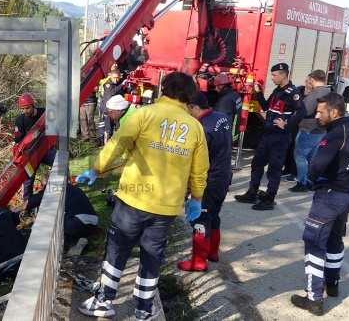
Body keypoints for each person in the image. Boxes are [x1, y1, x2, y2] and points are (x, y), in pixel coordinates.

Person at [75, 71, 209, 320]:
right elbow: (199, 170)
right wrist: (197, 198)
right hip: (166, 207)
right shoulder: (195, 127)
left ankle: (104, 301)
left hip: (133, 200)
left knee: (117, 248)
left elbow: (117, 145)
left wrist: (95, 169)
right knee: (152, 254)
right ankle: (144, 309)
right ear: (189, 96)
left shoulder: (145, 114)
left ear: (163, 90)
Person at [290, 93, 349, 316]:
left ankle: (314, 299)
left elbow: (316, 168)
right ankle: (332, 284)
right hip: (348, 196)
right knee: (335, 239)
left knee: (314, 244)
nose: (317, 116)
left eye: (320, 112)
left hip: (329, 197)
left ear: (334, 112)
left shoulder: (334, 136)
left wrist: (316, 180)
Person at [234, 63, 306, 211]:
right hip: (267, 134)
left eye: (274, 75)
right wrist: (258, 93)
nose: (272, 78)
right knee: (257, 164)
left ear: (283, 75)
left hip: (280, 137)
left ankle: (269, 198)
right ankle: (252, 192)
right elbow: (267, 106)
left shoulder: (294, 93)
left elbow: (302, 111)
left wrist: (287, 126)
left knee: (274, 169)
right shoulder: (277, 90)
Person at [177, 92, 231, 272]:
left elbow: (197, 162)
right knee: (214, 216)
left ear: (196, 108)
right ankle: (212, 253)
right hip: (223, 177)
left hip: (209, 180)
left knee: (201, 220)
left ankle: (199, 261)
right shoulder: (221, 117)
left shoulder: (202, 128)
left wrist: (187, 189)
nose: (186, 113)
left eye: (188, 109)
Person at [14, 172, 98, 252]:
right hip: (92, 224)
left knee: (48, 219)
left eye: (43, 185)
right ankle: (77, 240)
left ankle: (71, 244)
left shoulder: (52, 188)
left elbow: (30, 202)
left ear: (50, 182)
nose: (41, 188)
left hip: (76, 223)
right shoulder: (72, 188)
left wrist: (15, 211)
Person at [289, 70, 330, 192]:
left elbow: (305, 111)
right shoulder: (328, 92)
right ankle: (311, 180)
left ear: (312, 79)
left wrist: (296, 110)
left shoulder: (315, 94)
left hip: (308, 129)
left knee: (300, 156)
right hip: (320, 129)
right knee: (312, 157)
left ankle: (302, 182)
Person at [13, 93, 57, 200]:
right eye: (22, 109)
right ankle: (27, 205)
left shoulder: (44, 114)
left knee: (60, 162)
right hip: (31, 155)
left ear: (33, 105)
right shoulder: (20, 121)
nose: (25, 111)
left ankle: (66, 189)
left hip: (46, 150)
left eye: (27, 108)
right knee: (27, 179)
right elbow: (19, 142)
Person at [283, 74, 313, 181]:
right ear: (305, 81)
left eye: (312, 83)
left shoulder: (314, 96)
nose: (310, 85)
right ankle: (286, 169)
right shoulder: (298, 91)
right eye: (309, 83)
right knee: (289, 147)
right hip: (292, 122)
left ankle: (294, 172)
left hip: (303, 125)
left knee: (297, 150)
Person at [97, 70, 125, 145]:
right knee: (108, 130)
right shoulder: (108, 84)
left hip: (117, 111)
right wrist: (121, 85)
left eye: (117, 78)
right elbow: (112, 92)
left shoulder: (119, 82)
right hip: (108, 111)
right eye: (114, 78)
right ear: (111, 77)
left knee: (119, 129)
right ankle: (107, 145)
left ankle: (117, 145)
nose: (116, 79)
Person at [212, 74, 241, 143]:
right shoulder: (235, 95)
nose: (215, 89)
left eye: (216, 86)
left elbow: (223, 121)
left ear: (221, 86)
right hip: (233, 133)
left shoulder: (225, 101)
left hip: (226, 137)